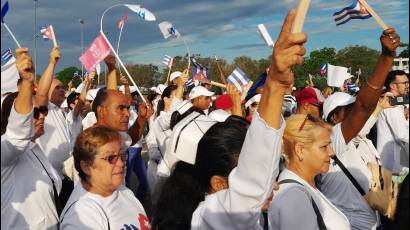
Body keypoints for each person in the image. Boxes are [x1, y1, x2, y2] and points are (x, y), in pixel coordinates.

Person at [151, 9, 306, 229]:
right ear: (218, 184)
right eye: (248, 171)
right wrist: (276, 84)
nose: (272, 184)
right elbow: (256, 176)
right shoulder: (211, 217)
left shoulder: (242, 218)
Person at [318, 28, 401, 230]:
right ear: (333, 118)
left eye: (353, 108)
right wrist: (387, 57)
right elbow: (365, 107)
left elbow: (367, 111)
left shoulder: (358, 140)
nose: (356, 114)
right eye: (349, 110)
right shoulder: (334, 140)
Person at [2, 48, 62, 229]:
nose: (42, 116)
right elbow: (17, 133)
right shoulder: (6, 150)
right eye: (34, 113)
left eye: (43, 111)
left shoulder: (34, 148)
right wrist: (28, 82)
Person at [268, 114, 350, 230]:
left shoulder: (302, 188)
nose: (331, 152)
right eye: (324, 146)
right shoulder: (293, 196)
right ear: (300, 150)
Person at [59, 126, 150, 229]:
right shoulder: (81, 217)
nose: (121, 163)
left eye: (121, 155)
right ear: (86, 167)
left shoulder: (124, 191)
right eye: (110, 158)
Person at [376, 70, 409, 174]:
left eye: (408, 82)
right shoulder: (390, 104)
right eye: (404, 83)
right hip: (394, 167)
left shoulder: (398, 102)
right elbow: (402, 136)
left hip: (398, 165)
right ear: (393, 86)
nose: (407, 85)